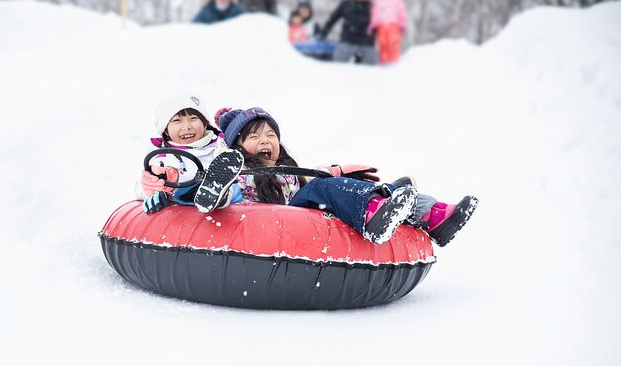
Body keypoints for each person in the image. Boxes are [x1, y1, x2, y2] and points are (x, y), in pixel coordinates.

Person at [203, 107, 478, 247]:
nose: (266, 141)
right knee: (324, 188)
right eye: (255, 137)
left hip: (299, 215)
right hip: (276, 226)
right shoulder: (239, 174)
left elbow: (309, 184)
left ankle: (433, 215)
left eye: (271, 135)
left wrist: (340, 173)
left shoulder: (288, 170)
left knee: (368, 186)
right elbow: (227, 197)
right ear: (238, 147)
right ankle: (373, 216)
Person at [136, 93, 244, 213]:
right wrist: (151, 190)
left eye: (193, 119)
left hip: (232, 208)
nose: (186, 127)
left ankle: (220, 193)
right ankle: (208, 192)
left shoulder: (222, 147)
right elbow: (140, 187)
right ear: (165, 130)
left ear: (204, 124)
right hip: (183, 213)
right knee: (173, 182)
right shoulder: (162, 157)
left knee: (230, 176)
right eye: (177, 121)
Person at [319, 0, 377, 65]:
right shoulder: (346, 3)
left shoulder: (374, 7)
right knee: (337, 66)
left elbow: (379, 26)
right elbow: (333, 19)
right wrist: (323, 32)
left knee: (371, 70)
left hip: (367, 45)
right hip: (347, 42)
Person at [368, 0, 408, 64]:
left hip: (394, 24)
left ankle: (393, 62)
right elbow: (375, 13)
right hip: (382, 25)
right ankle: (383, 62)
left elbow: (402, 12)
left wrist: (403, 23)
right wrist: (373, 25)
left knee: (393, 43)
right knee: (383, 44)